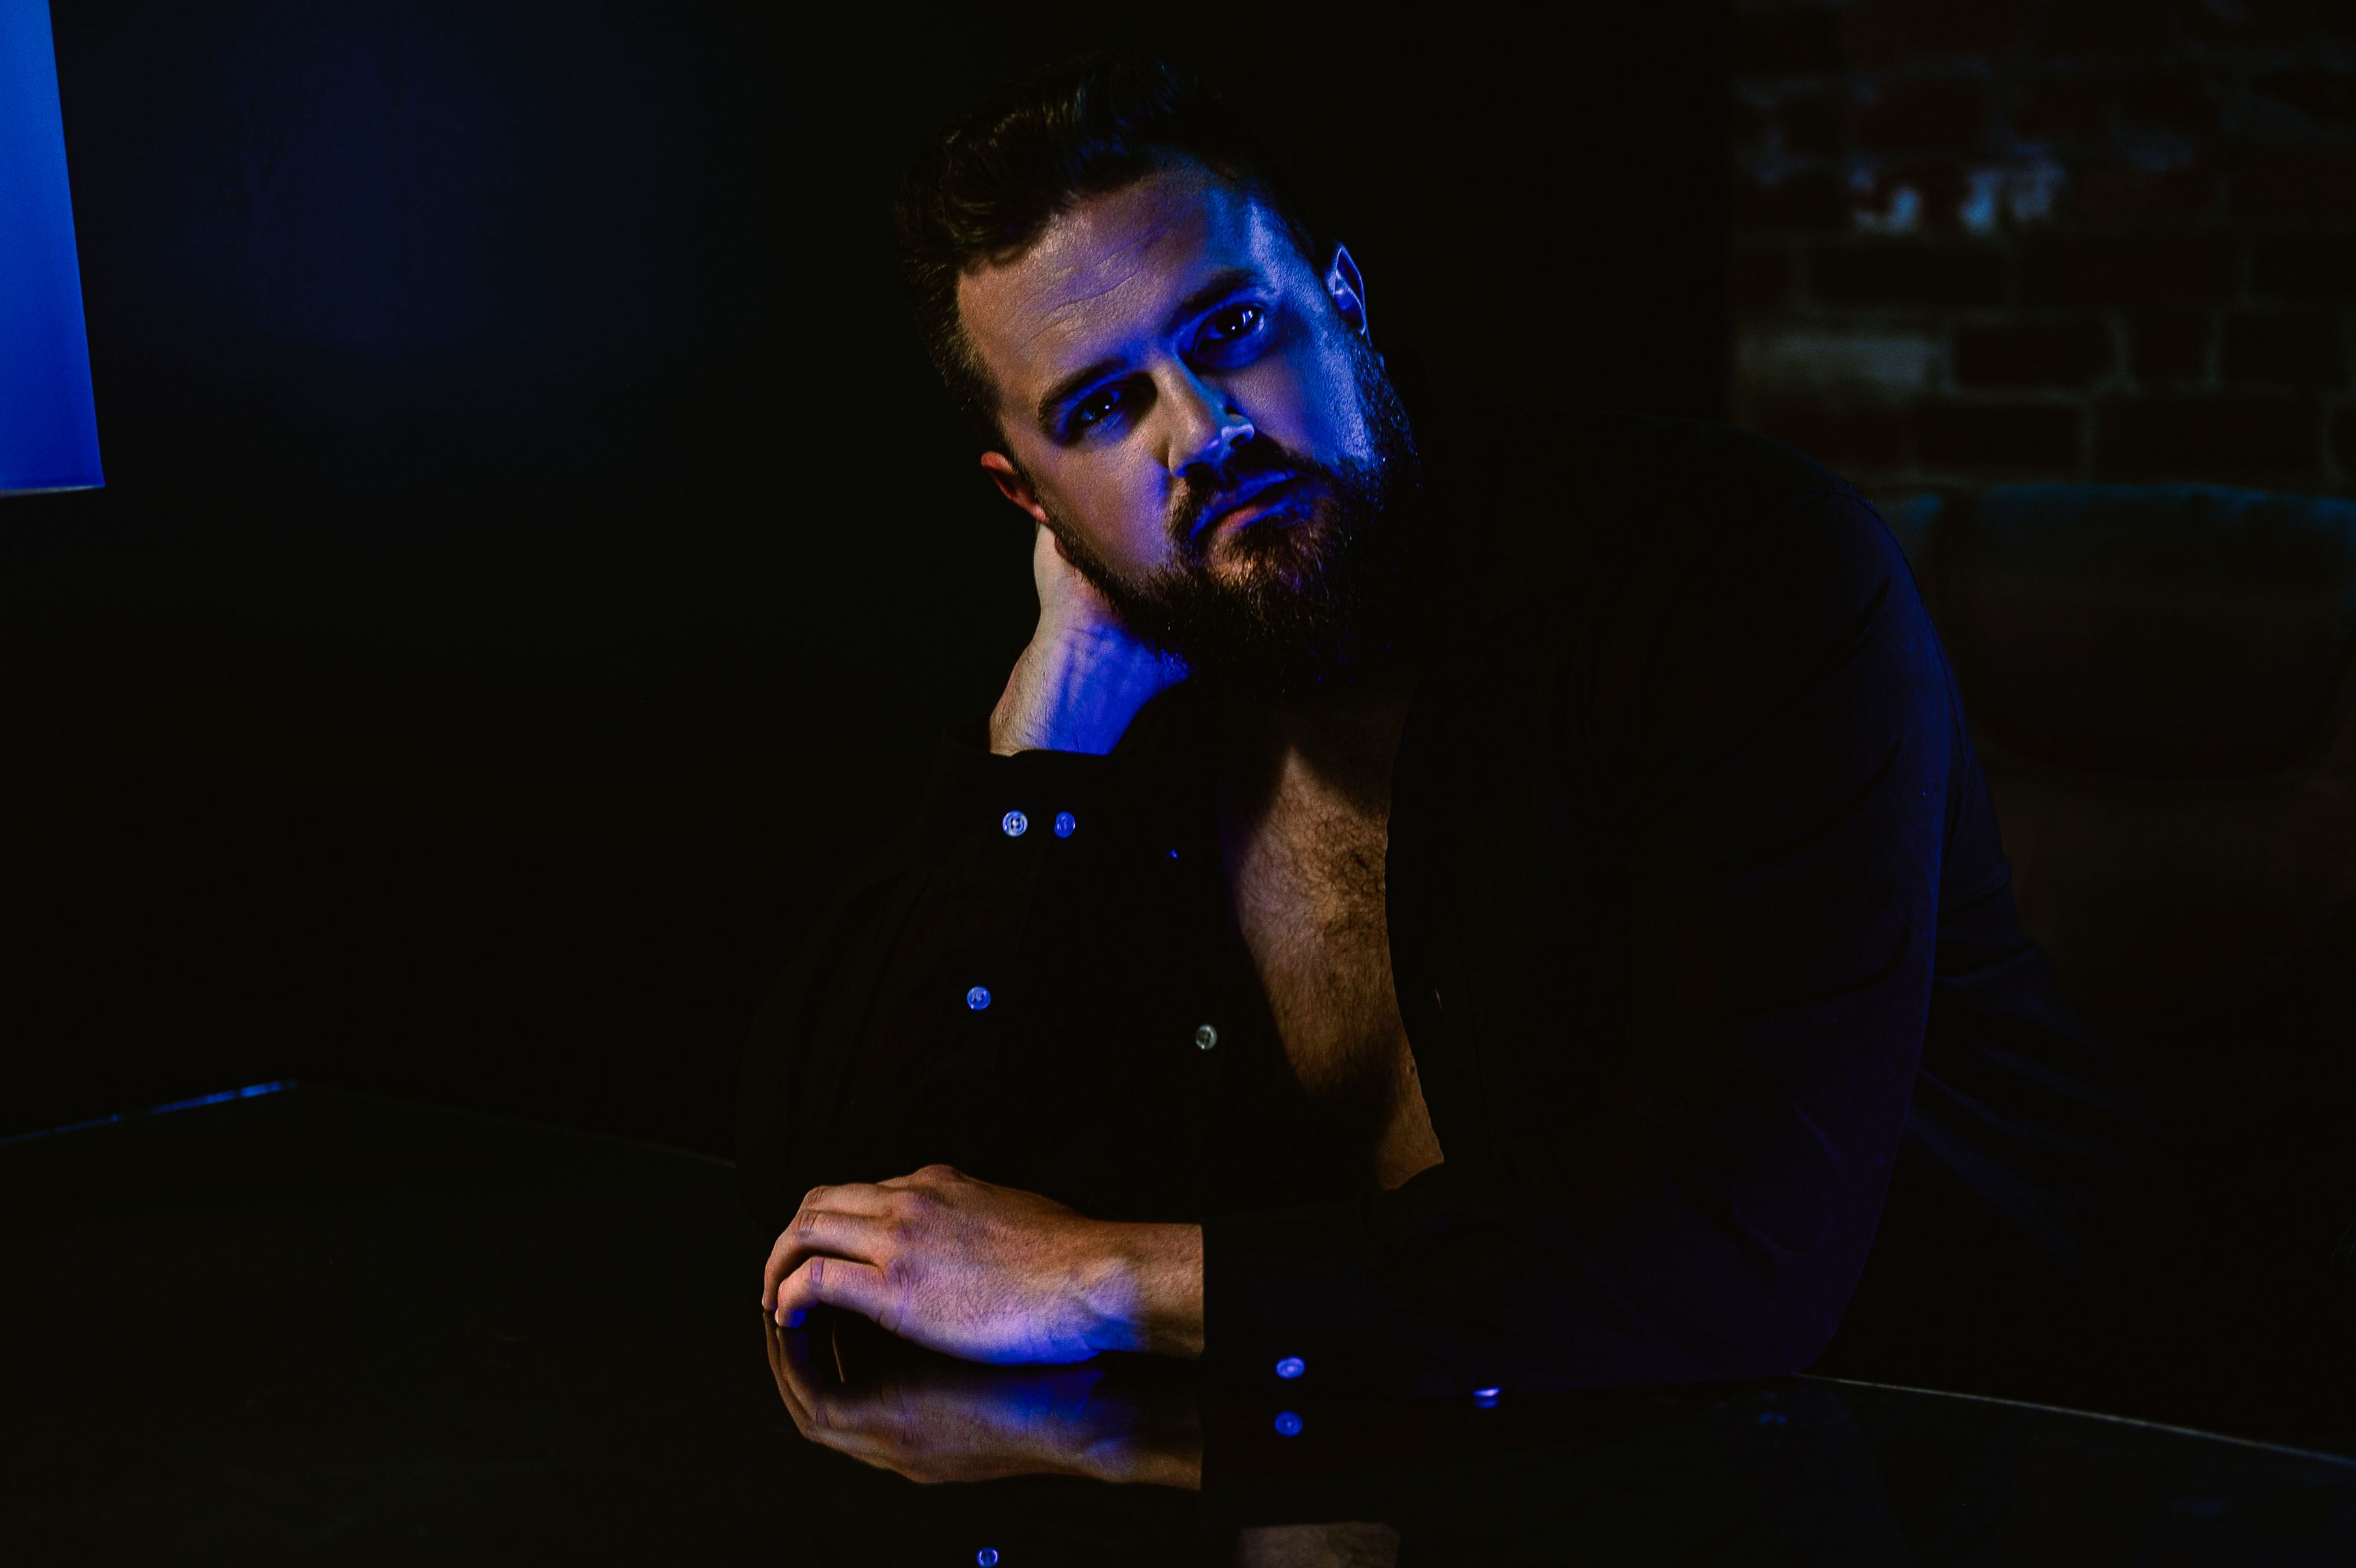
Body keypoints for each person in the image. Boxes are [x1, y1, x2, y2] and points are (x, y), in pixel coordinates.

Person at [736, 53, 2215, 1420]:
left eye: (1232, 329)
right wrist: (1043, 737)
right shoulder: (1143, 686)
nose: (1201, 431)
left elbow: (1734, 1254)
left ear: (1343, 298)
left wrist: (1115, 1276)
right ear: (1029, 499)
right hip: (1497, 1467)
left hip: (1993, 1444)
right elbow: (832, 1215)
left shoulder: (1734, 573)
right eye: (1107, 406)